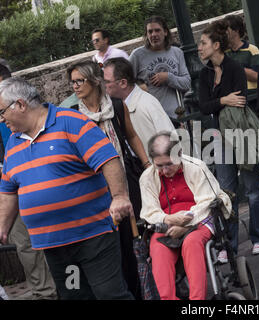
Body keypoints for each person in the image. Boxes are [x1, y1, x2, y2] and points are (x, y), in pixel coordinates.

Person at [0, 78, 134, 300]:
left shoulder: (71, 122)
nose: (1, 119)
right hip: (54, 245)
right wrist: (2, 228)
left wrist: (119, 197)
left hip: (93, 236)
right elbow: (8, 190)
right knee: (76, 296)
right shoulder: (14, 142)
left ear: (21, 105)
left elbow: (108, 159)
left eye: (2, 112)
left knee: (110, 295)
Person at [67, 60, 150, 299]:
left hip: (125, 180)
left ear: (94, 81)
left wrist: (146, 165)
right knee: (109, 242)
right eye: (72, 82)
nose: (75, 86)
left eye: (79, 81)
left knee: (132, 239)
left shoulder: (115, 105)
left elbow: (132, 136)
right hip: (95, 187)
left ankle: (141, 288)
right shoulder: (73, 115)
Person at [198, 20, 259, 261]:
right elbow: (203, 105)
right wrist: (222, 101)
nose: (199, 47)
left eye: (203, 43)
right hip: (219, 137)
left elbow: (238, 99)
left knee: (253, 188)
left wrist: (219, 102)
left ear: (216, 45)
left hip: (242, 132)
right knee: (226, 193)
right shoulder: (204, 73)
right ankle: (228, 246)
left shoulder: (234, 67)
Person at [139, 132, 232, 300]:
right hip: (167, 223)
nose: (165, 170)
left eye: (169, 164)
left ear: (179, 154)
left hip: (200, 219)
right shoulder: (147, 178)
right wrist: (168, 219)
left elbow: (207, 201)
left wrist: (185, 226)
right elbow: (149, 211)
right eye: (159, 166)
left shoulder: (197, 167)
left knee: (192, 242)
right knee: (157, 248)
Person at [0, 65, 58, 300]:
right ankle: (45, 293)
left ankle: (64, 288)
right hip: (8, 186)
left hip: (37, 182)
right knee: (23, 243)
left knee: (52, 238)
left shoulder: (27, 112)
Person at [103, 57, 175, 156]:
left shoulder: (147, 104)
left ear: (123, 83)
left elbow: (171, 143)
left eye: (106, 82)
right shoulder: (115, 107)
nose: (103, 85)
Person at [129, 16, 191, 120]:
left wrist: (168, 77)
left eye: (157, 30)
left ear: (165, 32)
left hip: (178, 115)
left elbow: (187, 83)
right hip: (152, 116)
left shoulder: (176, 52)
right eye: (150, 32)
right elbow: (124, 83)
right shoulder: (137, 55)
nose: (154, 35)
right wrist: (139, 89)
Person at [223, 14, 259, 112]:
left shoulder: (252, 49)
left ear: (236, 30)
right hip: (232, 99)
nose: (224, 32)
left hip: (252, 97)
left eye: (226, 29)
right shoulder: (223, 53)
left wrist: (236, 67)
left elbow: (257, 76)